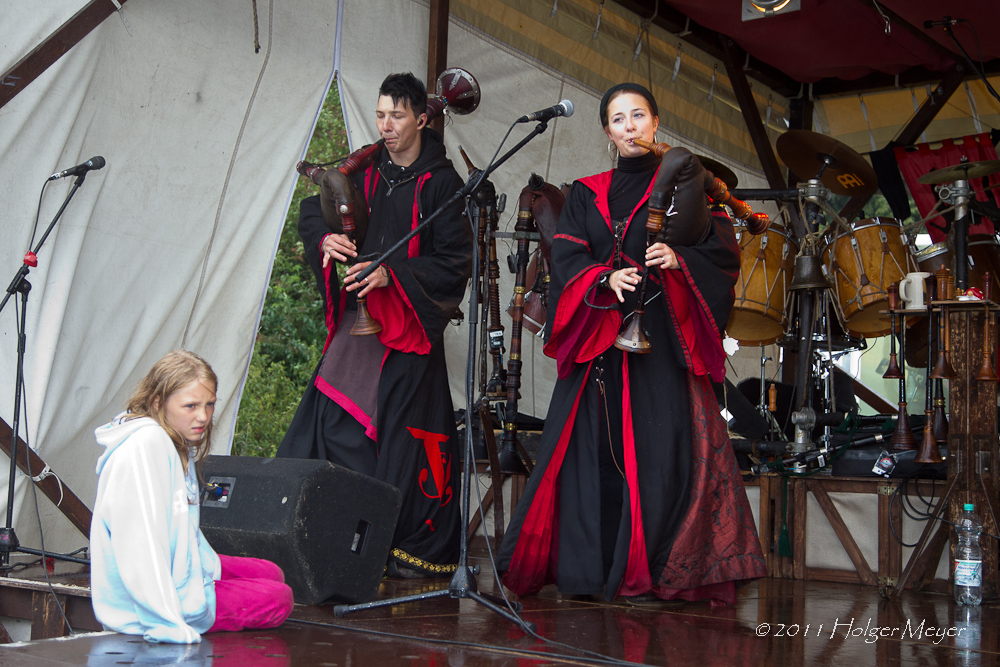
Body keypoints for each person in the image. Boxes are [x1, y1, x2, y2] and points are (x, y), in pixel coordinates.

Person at [497, 83, 767, 606]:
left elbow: (721, 255)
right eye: (618, 119)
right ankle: (593, 570)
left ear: (656, 123)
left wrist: (678, 260)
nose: (629, 126)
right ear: (607, 133)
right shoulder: (586, 192)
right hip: (601, 338)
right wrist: (603, 278)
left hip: (661, 341)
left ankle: (656, 565)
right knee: (587, 455)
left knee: (660, 454)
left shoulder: (689, 186)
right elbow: (568, 258)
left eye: (637, 115)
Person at [277, 72, 471, 577]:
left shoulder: (442, 183)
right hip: (356, 325)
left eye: (397, 116)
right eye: (381, 113)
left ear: (422, 119)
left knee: (395, 439)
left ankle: (384, 543)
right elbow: (311, 210)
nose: (385, 125)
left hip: (406, 329)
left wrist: (393, 274)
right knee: (329, 422)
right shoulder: (365, 166)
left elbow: (455, 261)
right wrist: (325, 240)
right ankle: (323, 534)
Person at [91, 350, 294, 643]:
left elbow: (182, 531)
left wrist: (204, 569)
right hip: (158, 603)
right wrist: (168, 624)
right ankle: (190, 605)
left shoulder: (173, 439)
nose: (203, 416)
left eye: (209, 404)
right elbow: (139, 546)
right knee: (279, 598)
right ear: (158, 402)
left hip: (181, 573)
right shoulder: (145, 447)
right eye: (190, 406)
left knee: (271, 572)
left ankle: (204, 582)